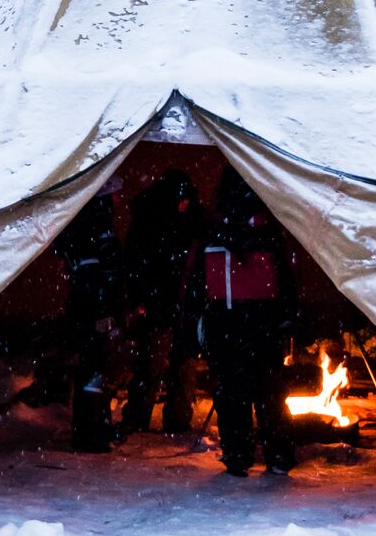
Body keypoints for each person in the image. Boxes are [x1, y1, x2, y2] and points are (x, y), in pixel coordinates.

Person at [201, 167, 297, 477]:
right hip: (257, 321)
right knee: (265, 393)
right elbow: (286, 277)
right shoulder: (268, 229)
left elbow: (195, 280)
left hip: (230, 321)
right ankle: (273, 455)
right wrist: (286, 317)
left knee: (237, 394)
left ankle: (240, 454)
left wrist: (199, 319)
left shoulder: (214, 229)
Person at [119, 169, 205, 435]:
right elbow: (135, 263)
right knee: (154, 363)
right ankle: (141, 417)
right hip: (163, 304)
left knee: (179, 364)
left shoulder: (189, 222)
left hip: (180, 304)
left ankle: (173, 419)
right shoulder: (152, 222)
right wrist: (142, 298)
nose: (184, 204)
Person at [53, 180, 123, 452]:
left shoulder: (82, 222)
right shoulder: (98, 225)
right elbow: (102, 273)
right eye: (115, 193)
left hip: (85, 309)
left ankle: (89, 428)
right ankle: (93, 432)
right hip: (93, 310)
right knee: (94, 370)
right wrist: (104, 310)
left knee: (90, 369)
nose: (119, 199)